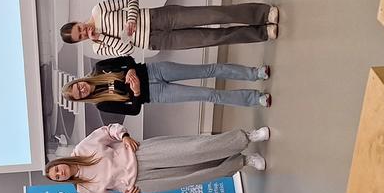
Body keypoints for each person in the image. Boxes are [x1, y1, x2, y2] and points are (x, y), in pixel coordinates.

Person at [45, 123, 271, 193]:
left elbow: (108, 131)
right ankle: (243, 162)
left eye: (57, 170)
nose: (60, 173)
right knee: (194, 174)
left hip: (141, 154)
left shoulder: (83, 148)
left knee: (194, 148)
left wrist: (123, 136)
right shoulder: (83, 189)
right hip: (143, 183)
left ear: (59, 163)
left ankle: (247, 137)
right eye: (57, 177)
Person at [60, 0, 279, 57]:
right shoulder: (98, 47)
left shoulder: (98, 10)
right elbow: (127, 50)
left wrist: (131, 19)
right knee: (213, 38)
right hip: (156, 41)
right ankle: (262, 32)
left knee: (213, 15)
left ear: (78, 22)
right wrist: (102, 37)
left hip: (158, 17)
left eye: (79, 29)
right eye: (81, 37)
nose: (84, 32)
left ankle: (262, 12)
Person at [63, 57, 271, 116]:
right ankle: (256, 99)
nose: (82, 89)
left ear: (79, 81)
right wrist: (136, 92)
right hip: (157, 94)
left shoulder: (100, 68)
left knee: (208, 69)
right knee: (209, 95)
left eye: (78, 86)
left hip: (155, 71)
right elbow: (133, 110)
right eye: (80, 94)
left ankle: (254, 73)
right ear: (83, 99)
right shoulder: (102, 105)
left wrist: (131, 70)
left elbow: (127, 59)